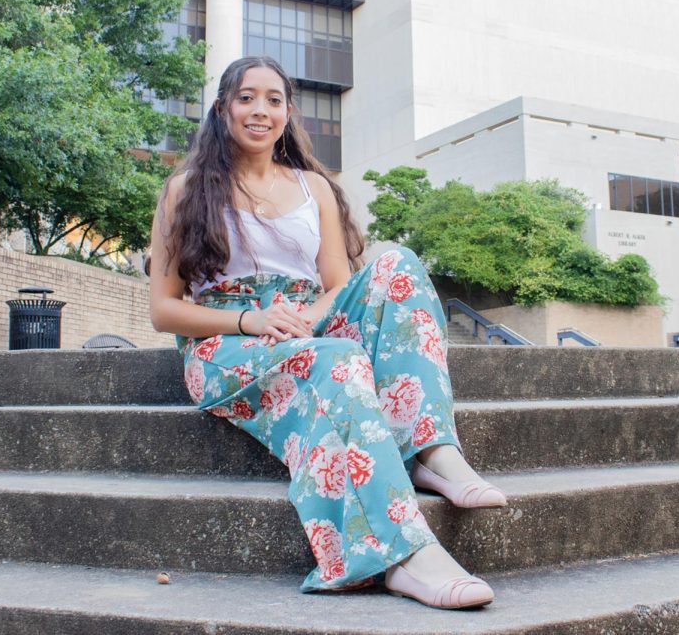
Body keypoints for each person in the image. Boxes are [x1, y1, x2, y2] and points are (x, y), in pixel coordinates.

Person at [147, 56, 506, 609]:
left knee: (397, 265)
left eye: (273, 99)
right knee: (334, 361)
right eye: (246, 97)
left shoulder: (313, 185)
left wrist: (305, 319)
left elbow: (339, 285)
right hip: (226, 341)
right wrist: (253, 320)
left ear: (289, 112)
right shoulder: (185, 189)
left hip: (306, 322)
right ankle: (402, 556)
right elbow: (165, 311)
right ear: (222, 110)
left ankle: (431, 451)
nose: (260, 110)